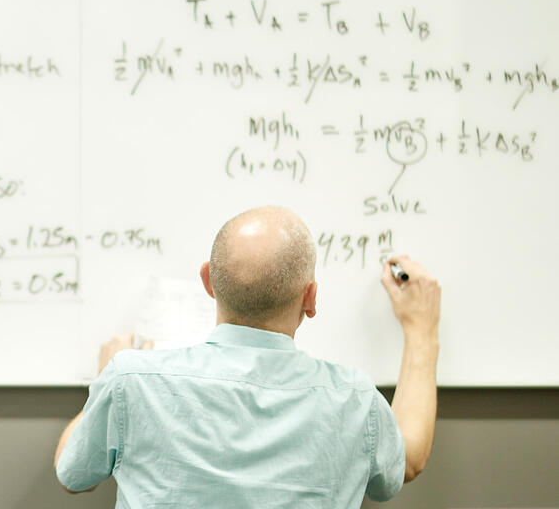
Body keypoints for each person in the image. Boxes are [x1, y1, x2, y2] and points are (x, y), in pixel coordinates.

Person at [54, 205, 440, 507]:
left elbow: (72, 474)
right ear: (310, 298)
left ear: (208, 281)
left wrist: (104, 377)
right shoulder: (354, 398)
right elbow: (407, 461)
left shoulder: (129, 380)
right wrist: (421, 331)